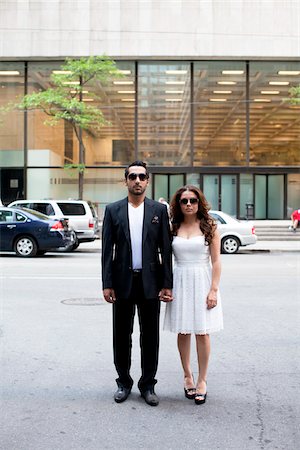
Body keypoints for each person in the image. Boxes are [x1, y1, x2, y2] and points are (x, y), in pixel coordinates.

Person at [102, 160, 173, 406]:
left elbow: (165, 249)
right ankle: (123, 382)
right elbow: (107, 250)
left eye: (142, 176)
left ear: (147, 181)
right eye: (132, 176)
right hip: (122, 283)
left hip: (151, 283)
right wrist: (107, 283)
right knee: (121, 336)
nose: (137, 181)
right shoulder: (113, 210)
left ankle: (148, 385)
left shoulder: (158, 211)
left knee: (150, 336)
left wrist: (167, 284)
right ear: (126, 181)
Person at [164, 185, 223, 405]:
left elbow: (216, 261)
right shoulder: (173, 227)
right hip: (179, 280)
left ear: (200, 203)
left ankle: (202, 380)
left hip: (202, 281)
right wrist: (166, 286)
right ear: (178, 204)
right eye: (184, 201)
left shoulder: (210, 227)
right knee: (183, 330)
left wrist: (214, 290)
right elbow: (165, 260)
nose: (189, 204)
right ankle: (187, 375)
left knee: (202, 332)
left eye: (193, 200)